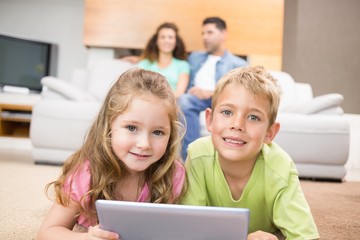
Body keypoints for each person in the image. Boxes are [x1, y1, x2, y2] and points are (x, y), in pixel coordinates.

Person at [37, 68, 187, 240]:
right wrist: (86, 238)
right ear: (108, 126)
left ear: (171, 135)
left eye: (158, 132)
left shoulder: (173, 174)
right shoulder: (87, 173)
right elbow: (46, 233)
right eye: (131, 128)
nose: (144, 144)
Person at [181, 66, 319, 239]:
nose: (237, 124)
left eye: (253, 117)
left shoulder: (280, 167)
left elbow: (305, 236)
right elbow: (188, 229)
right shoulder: (198, 154)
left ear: (270, 132)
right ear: (210, 120)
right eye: (227, 112)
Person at [180, 16, 247, 160]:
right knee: (183, 101)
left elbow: (240, 93)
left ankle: (191, 156)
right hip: (193, 99)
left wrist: (210, 93)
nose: (205, 37)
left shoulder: (237, 64)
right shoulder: (195, 57)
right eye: (203, 34)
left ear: (223, 34)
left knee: (185, 101)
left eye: (209, 33)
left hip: (219, 99)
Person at [137, 22, 190, 98]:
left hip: (171, 104)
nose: (166, 41)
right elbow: (137, 89)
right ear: (156, 41)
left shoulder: (183, 65)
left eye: (170, 37)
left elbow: (180, 93)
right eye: (163, 37)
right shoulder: (144, 64)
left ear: (176, 42)